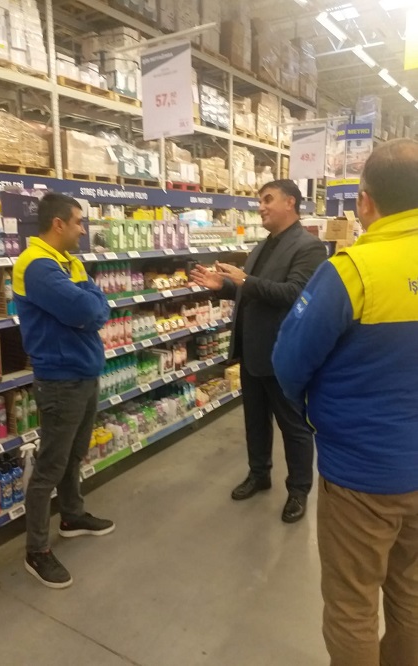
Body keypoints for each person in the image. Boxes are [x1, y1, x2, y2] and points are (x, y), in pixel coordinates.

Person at [272, 139, 418, 666]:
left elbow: (289, 362)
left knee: (353, 605)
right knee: (411, 595)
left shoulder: (352, 270)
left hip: (361, 474)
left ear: (365, 201)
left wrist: (312, 410)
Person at [191, 179, 326, 522]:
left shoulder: (308, 247)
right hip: (252, 350)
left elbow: (295, 294)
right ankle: (259, 473)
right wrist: (223, 286)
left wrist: (244, 280)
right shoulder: (262, 246)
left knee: (293, 426)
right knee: (255, 420)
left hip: (283, 354)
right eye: (259, 201)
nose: (261, 207)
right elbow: (250, 291)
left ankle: (298, 489)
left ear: (290, 203)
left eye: (268, 200)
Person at [14, 192, 114, 590]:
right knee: (50, 467)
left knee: (74, 454)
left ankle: (71, 516)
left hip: (84, 373)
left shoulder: (67, 261)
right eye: (78, 222)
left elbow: (98, 304)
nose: (83, 230)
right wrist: (91, 307)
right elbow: (88, 310)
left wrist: (91, 306)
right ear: (58, 224)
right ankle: (36, 550)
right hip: (60, 380)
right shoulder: (37, 265)